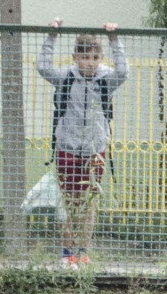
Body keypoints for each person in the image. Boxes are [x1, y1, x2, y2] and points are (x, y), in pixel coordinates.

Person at [37, 18, 128, 268]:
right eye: (84, 57)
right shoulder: (66, 77)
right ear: (75, 57)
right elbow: (43, 68)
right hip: (67, 147)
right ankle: (67, 254)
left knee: (89, 204)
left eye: (94, 58)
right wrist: (51, 36)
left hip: (94, 149)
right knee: (69, 203)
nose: (89, 63)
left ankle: (83, 252)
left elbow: (124, 72)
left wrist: (114, 40)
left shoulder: (105, 79)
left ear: (100, 58)